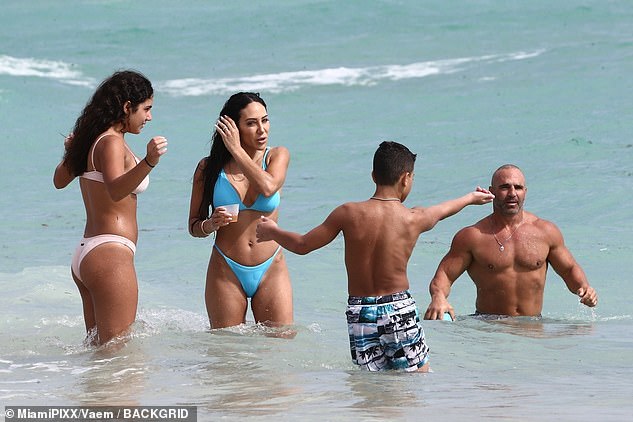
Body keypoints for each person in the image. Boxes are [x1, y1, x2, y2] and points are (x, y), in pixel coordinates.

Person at [256, 141, 494, 371]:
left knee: (371, 386)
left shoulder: (347, 213)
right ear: (405, 179)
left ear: (373, 176)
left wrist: (273, 231)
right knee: (415, 378)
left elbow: (302, 244)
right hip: (398, 308)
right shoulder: (413, 218)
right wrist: (471, 198)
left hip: (360, 312)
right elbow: (444, 210)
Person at [53, 70, 168, 345]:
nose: (149, 117)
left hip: (89, 252)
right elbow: (116, 190)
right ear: (127, 107)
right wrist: (149, 161)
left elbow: (59, 180)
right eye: (146, 109)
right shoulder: (112, 142)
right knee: (117, 358)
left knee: (99, 356)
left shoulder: (94, 141)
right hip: (110, 256)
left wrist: (72, 150)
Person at [424, 164, 598, 321]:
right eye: (505, 187)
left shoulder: (546, 232)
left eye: (518, 187)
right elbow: (445, 275)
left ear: (525, 192)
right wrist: (438, 297)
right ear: (492, 191)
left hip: (532, 328)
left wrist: (584, 289)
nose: (512, 193)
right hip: (488, 327)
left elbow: (568, 269)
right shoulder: (472, 236)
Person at [188, 92, 293, 330]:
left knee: (281, 350)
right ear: (233, 127)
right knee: (227, 356)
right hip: (225, 269)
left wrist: (236, 150)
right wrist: (209, 225)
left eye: (265, 120)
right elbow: (193, 225)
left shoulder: (277, 155)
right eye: (251, 123)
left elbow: (267, 187)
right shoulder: (208, 168)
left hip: (271, 267)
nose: (262, 130)